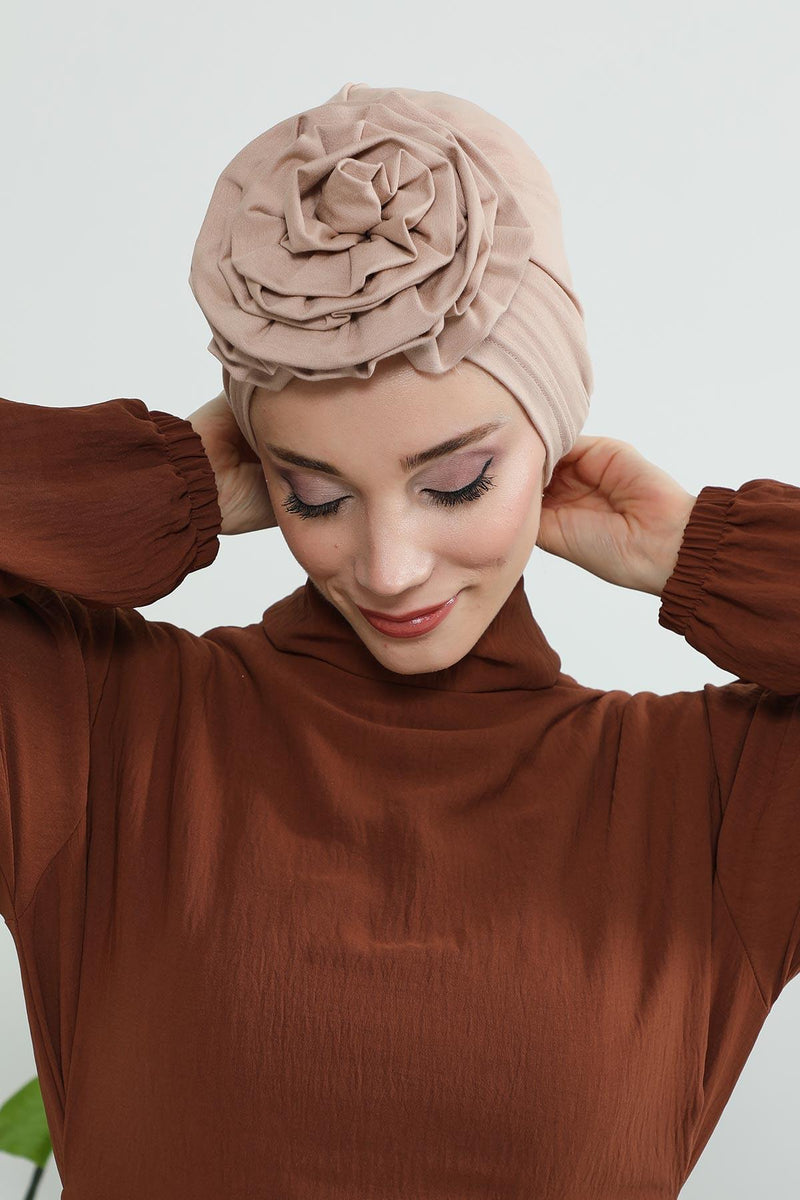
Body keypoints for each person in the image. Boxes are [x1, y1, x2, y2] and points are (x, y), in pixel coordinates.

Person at [1, 82, 799, 1200]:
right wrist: (156, 487)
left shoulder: (712, 799)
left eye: (457, 481)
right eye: (315, 493)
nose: (388, 567)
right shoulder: (96, 734)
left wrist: (700, 552)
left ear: (549, 446)